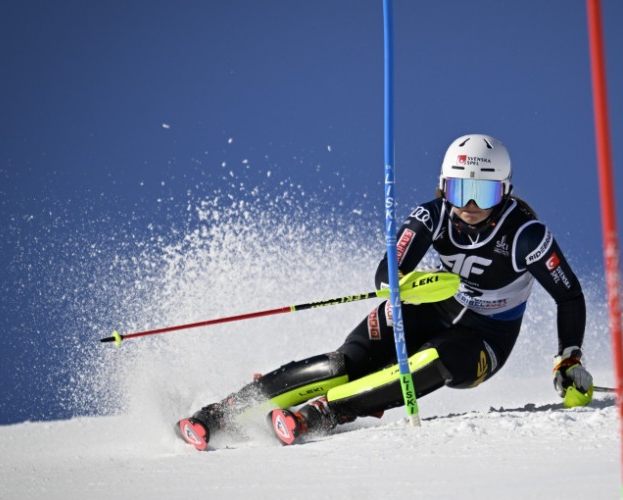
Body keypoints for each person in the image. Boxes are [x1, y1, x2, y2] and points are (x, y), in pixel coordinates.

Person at [176, 133, 592, 450]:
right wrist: (401, 285)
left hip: (485, 339)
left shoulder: (524, 235)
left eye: (483, 193)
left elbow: (569, 296)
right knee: (340, 365)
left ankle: (326, 413)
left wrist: (568, 358)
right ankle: (222, 412)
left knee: (434, 358)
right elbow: (388, 269)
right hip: (434, 306)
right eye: (458, 190)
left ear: (505, 192)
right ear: (442, 187)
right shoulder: (431, 216)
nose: (469, 206)